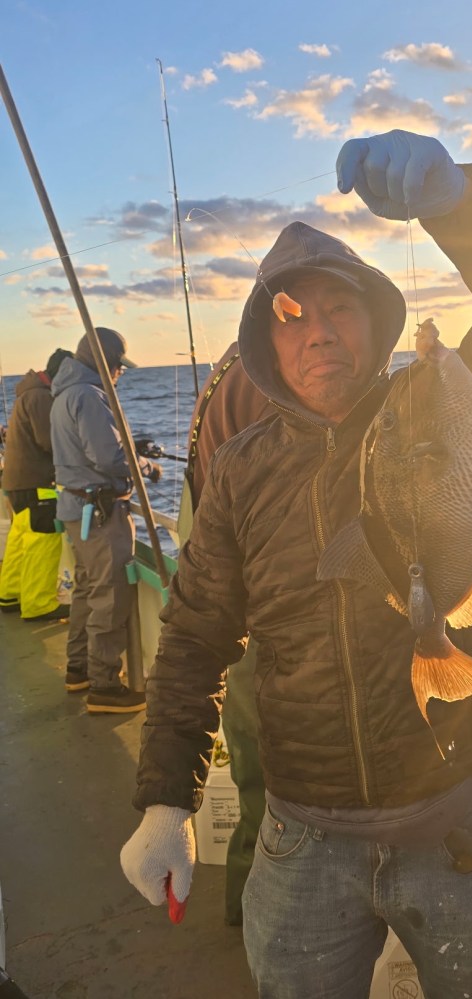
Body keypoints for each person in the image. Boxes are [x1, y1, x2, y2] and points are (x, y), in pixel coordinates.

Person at [121, 129, 472, 997]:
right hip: (303, 837)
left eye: (340, 308)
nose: (319, 332)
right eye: (294, 315)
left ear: (376, 322)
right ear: (266, 337)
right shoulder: (241, 471)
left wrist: (463, 205)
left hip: (455, 826)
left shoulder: (440, 406)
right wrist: (164, 797)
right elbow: (192, 638)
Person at [183, 344, 274, 926]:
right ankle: (260, 927)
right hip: (263, 620)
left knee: (254, 781)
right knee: (271, 788)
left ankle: (242, 915)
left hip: (236, 605)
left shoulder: (224, 371)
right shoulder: (271, 377)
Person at [50, 327, 162, 713]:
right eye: (119, 367)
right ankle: (104, 686)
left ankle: (78, 669)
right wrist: (145, 464)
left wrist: (132, 445)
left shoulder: (66, 393)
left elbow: (94, 450)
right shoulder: (91, 395)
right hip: (100, 515)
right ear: (107, 364)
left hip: (76, 511)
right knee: (109, 597)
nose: (121, 374)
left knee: (86, 592)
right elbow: (109, 459)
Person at [0, 348, 73, 621]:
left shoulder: (26, 394)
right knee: (42, 544)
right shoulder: (42, 397)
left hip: (17, 483)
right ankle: (38, 604)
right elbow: (49, 441)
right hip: (37, 485)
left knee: (20, 542)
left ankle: (9, 595)